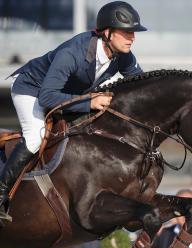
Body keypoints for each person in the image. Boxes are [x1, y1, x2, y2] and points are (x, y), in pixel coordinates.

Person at [0, 1, 147, 223]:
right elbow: (47, 98)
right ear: (107, 33)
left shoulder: (124, 56)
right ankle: (1, 194)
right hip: (32, 89)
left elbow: (141, 86)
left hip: (66, 96)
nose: (132, 37)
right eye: (126, 32)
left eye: (133, 32)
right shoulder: (73, 53)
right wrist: (89, 102)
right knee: (34, 138)